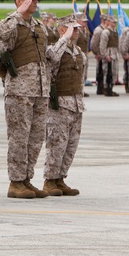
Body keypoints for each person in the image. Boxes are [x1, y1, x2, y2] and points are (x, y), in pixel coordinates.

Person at [0, 0, 49, 199]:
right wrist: (17, 14)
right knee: (19, 137)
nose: (35, 3)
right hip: (20, 90)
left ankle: (27, 179)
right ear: (19, 1)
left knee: (35, 138)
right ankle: (16, 182)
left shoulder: (38, 26)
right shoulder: (11, 23)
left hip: (40, 89)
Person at [42, 14, 85, 196]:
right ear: (62, 30)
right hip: (59, 104)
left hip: (76, 104)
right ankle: (50, 180)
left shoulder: (79, 53)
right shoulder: (55, 50)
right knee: (56, 144)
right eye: (72, 28)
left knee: (70, 145)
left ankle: (60, 178)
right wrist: (64, 38)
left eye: (76, 28)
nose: (76, 31)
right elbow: (51, 58)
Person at [97, 16, 121, 96]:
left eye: (115, 22)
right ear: (109, 22)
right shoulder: (106, 32)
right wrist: (105, 55)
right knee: (107, 72)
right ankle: (106, 88)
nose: (114, 24)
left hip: (115, 54)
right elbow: (102, 45)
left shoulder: (115, 31)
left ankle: (111, 87)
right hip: (109, 53)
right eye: (113, 22)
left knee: (114, 72)